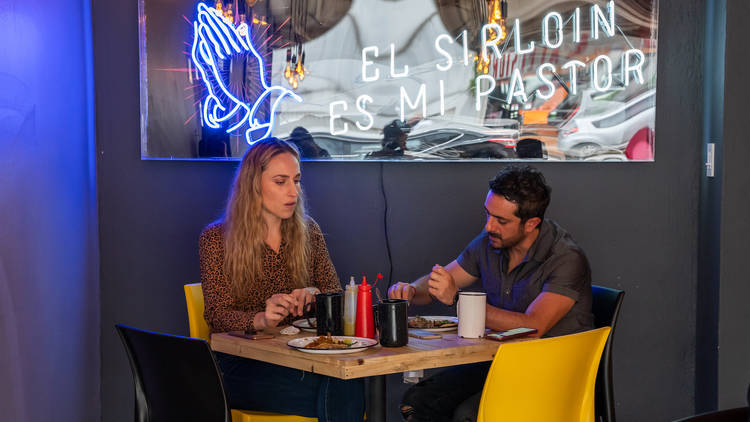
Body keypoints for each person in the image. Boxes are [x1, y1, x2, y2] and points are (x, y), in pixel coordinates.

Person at [388, 164, 594, 422]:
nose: (489, 226)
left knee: (469, 415)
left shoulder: (566, 258)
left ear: (531, 223)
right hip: (502, 362)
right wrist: (410, 291)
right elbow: (441, 281)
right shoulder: (489, 244)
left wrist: (456, 299)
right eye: (488, 215)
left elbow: (533, 327)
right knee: (418, 403)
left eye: (501, 220)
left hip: (552, 372)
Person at [199, 137, 364, 421]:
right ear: (254, 185)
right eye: (280, 181)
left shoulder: (308, 232)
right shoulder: (217, 239)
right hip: (241, 365)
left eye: (297, 181)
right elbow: (215, 314)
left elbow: (337, 295)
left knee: (345, 380)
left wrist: (315, 294)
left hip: (300, 359)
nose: (293, 192)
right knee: (343, 387)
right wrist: (260, 319)